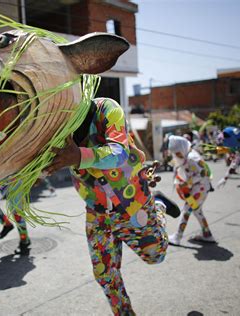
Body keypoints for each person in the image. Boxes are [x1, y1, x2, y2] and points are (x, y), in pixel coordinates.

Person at [45, 98, 178, 315]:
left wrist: (79, 156)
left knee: (156, 256)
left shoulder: (106, 108)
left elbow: (118, 153)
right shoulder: (56, 125)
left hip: (133, 203)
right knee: (105, 275)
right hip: (97, 213)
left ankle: (159, 206)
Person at [168, 135, 216, 246]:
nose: (177, 155)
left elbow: (204, 174)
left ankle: (177, 236)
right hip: (199, 188)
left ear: (182, 148)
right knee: (197, 211)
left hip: (200, 188)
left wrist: (187, 183)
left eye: (178, 152)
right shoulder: (187, 156)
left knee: (186, 210)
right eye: (175, 153)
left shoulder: (192, 157)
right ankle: (207, 235)